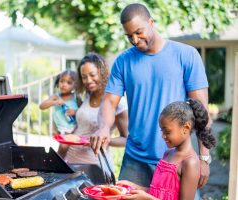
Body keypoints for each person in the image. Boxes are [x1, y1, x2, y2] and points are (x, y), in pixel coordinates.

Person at [90, 3, 212, 191]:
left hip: (178, 160)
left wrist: (203, 158)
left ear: (151, 22)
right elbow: (109, 102)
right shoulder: (123, 61)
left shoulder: (186, 55)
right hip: (135, 161)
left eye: (139, 32)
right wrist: (104, 127)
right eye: (129, 36)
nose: (135, 39)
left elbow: (201, 110)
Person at [119, 98, 216, 200]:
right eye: (162, 131)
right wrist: (131, 186)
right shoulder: (168, 154)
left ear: (186, 128)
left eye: (167, 132)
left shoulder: (190, 162)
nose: (163, 136)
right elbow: (156, 191)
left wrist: (147, 199)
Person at [64, 52, 128, 169]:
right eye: (84, 77)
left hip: (96, 163)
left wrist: (102, 140)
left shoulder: (118, 102)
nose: (88, 80)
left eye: (92, 75)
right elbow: (82, 126)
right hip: (71, 158)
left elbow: (126, 140)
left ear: (102, 73)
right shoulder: (88, 95)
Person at [39, 70, 81, 158]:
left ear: (75, 85)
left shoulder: (76, 97)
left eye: (69, 82)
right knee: (63, 148)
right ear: (58, 82)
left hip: (75, 128)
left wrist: (74, 111)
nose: (64, 84)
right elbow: (42, 106)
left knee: (68, 150)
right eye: (62, 81)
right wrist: (54, 102)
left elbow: (83, 111)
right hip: (62, 130)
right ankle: (59, 163)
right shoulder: (56, 96)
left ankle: (60, 163)